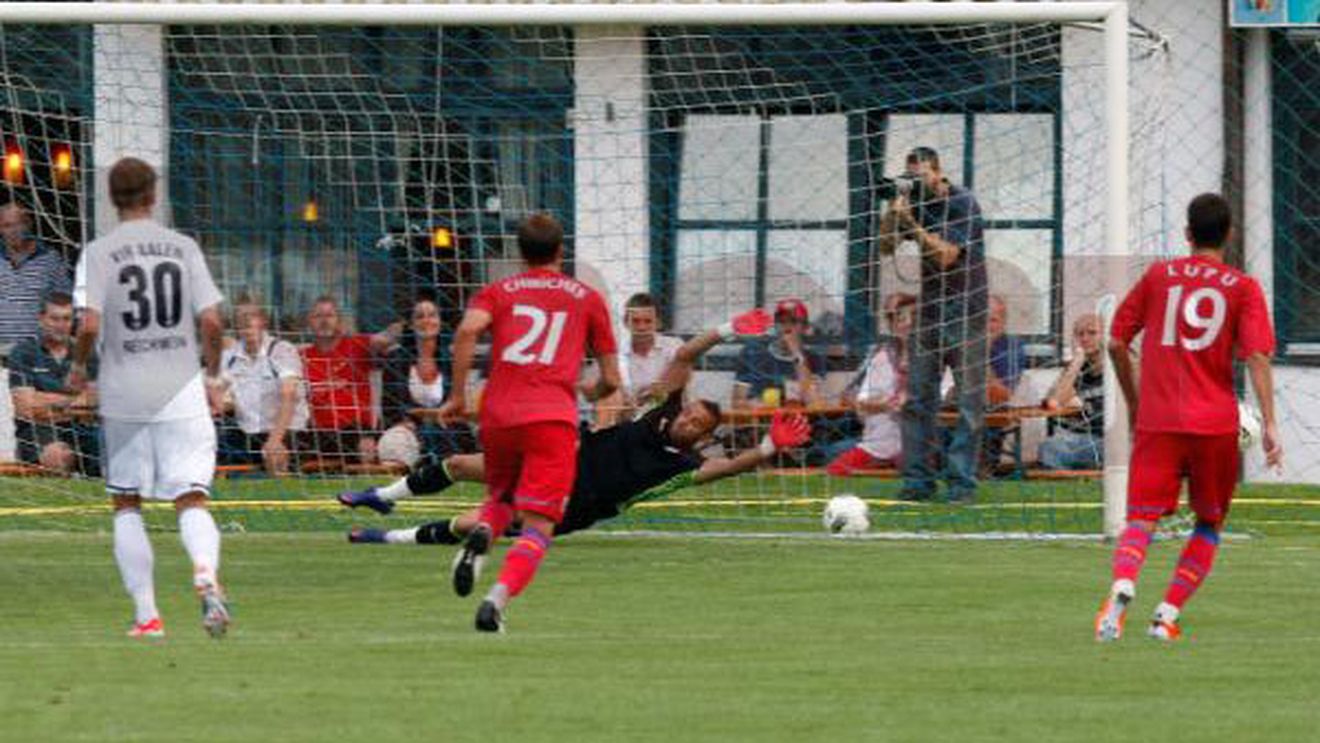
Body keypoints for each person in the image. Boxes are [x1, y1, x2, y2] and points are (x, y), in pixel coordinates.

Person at [339, 311, 796, 543]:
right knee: (459, 462)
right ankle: (379, 499)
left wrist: (770, 446)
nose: (689, 418)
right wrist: (727, 328)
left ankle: (387, 538)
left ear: (700, 437)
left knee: (478, 525)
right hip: (556, 460)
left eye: (697, 423)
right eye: (690, 411)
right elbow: (683, 356)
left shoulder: (682, 465)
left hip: (569, 505)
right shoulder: (660, 409)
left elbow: (733, 465)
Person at [1095, 193, 1282, 643]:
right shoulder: (1243, 287)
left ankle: (1123, 586)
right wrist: (1271, 424)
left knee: (1140, 519)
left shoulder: (1160, 276)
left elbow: (1117, 341)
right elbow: (1256, 355)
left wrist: (1135, 400)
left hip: (1159, 420)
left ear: (1186, 234)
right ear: (1230, 235)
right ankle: (1165, 615)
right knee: (1208, 524)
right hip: (1215, 424)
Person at [435, 212, 621, 633]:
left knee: (500, 494)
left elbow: (466, 332)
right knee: (539, 524)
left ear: (520, 254)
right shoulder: (587, 297)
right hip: (551, 417)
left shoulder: (498, 291)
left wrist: (458, 394)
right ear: (561, 250)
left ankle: (484, 531)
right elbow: (611, 379)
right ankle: (495, 601)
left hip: (499, 412)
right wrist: (589, 392)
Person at [68, 157, 230, 639]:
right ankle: (204, 572)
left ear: (112, 199)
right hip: (180, 386)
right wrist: (214, 373)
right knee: (192, 497)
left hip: (124, 389)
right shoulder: (183, 247)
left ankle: (148, 616)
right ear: (154, 194)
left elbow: (91, 323)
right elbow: (212, 321)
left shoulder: (99, 252)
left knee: (126, 502)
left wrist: (78, 366)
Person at [889, 146, 987, 503]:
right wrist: (894, 211)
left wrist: (912, 226)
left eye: (920, 176)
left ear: (937, 172)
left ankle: (961, 484)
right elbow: (886, 245)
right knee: (917, 401)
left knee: (968, 404)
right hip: (929, 313)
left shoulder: (963, 202)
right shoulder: (914, 202)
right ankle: (917, 482)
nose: (915, 182)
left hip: (966, 313)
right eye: (909, 176)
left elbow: (946, 255)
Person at [7, 292, 100, 475]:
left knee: (113, 451)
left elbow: (95, 404)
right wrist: (75, 400)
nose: (61, 325)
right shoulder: (24, 353)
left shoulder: (86, 353)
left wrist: (45, 401)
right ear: (41, 319)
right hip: (38, 432)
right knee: (58, 457)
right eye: (54, 319)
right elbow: (26, 408)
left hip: (83, 430)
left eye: (66, 319)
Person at [300, 296, 396, 466]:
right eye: (318, 316)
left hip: (356, 430)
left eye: (330, 316)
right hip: (319, 432)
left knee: (365, 447)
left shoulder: (357, 344)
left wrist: (400, 325)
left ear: (339, 321)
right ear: (309, 322)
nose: (324, 321)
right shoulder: (302, 357)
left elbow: (388, 339)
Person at [378, 295, 473, 465]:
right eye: (420, 316)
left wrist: (436, 419)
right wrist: (408, 422)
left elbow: (456, 402)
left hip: (445, 427)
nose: (426, 320)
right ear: (411, 324)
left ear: (439, 321)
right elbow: (390, 405)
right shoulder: (395, 360)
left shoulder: (451, 361)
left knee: (448, 434)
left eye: (432, 315)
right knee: (397, 442)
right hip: (410, 427)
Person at [217, 297, 308, 475]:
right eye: (240, 317)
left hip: (285, 430)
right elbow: (224, 401)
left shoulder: (281, 350)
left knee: (274, 455)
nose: (246, 321)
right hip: (246, 430)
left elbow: (289, 396)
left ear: (263, 321)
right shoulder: (229, 357)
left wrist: (275, 439)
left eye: (251, 315)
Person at [826, 293, 914, 476]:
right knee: (834, 470)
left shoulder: (935, 359)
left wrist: (912, 403)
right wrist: (884, 404)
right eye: (897, 318)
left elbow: (945, 402)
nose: (906, 324)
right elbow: (859, 402)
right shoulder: (880, 357)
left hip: (914, 446)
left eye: (913, 317)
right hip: (875, 445)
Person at [594, 292, 685, 425]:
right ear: (626, 322)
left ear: (658, 323)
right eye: (635, 321)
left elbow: (675, 384)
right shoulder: (614, 353)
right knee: (609, 395)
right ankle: (602, 437)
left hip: (666, 414)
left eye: (648, 321)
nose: (642, 327)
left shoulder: (674, 346)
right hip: (628, 418)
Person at [0, 202, 72, 350]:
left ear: (29, 225)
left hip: (36, 352)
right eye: (7, 226)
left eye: (18, 224)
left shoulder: (50, 259)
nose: (13, 231)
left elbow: (66, 302)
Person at [731, 298, 824, 409]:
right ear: (774, 325)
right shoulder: (753, 352)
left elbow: (814, 403)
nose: (787, 327)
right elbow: (737, 402)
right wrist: (762, 408)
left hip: (797, 422)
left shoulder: (813, 358)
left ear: (805, 327)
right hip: (761, 421)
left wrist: (796, 353)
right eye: (781, 321)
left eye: (794, 321)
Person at [1038, 314, 1104, 470]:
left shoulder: (1116, 366)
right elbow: (1053, 402)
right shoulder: (1076, 369)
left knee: (1054, 448)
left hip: (1110, 441)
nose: (1085, 338)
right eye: (1080, 334)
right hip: (1080, 437)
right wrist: (1076, 363)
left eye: (1092, 333)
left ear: (1105, 336)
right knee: (1049, 446)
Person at [981, 294, 1027, 473]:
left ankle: (982, 470)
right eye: (981, 320)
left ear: (1002, 323)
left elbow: (1001, 395)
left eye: (992, 320)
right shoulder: (962, 341)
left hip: (994, 411)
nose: (986, 326)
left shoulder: (1012, 347)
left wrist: (982, 355)